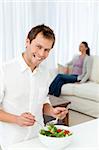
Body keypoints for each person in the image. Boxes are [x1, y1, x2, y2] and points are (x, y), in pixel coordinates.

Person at [0, 24, 68, 149]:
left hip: (39, 139)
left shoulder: (46, 73)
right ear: (27, 42)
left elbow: (42, 102)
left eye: (47, 50)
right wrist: (16, 119)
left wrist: (52, 111)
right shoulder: (4, 70)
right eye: (39, 47)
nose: (42, 54)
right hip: (13, 143)